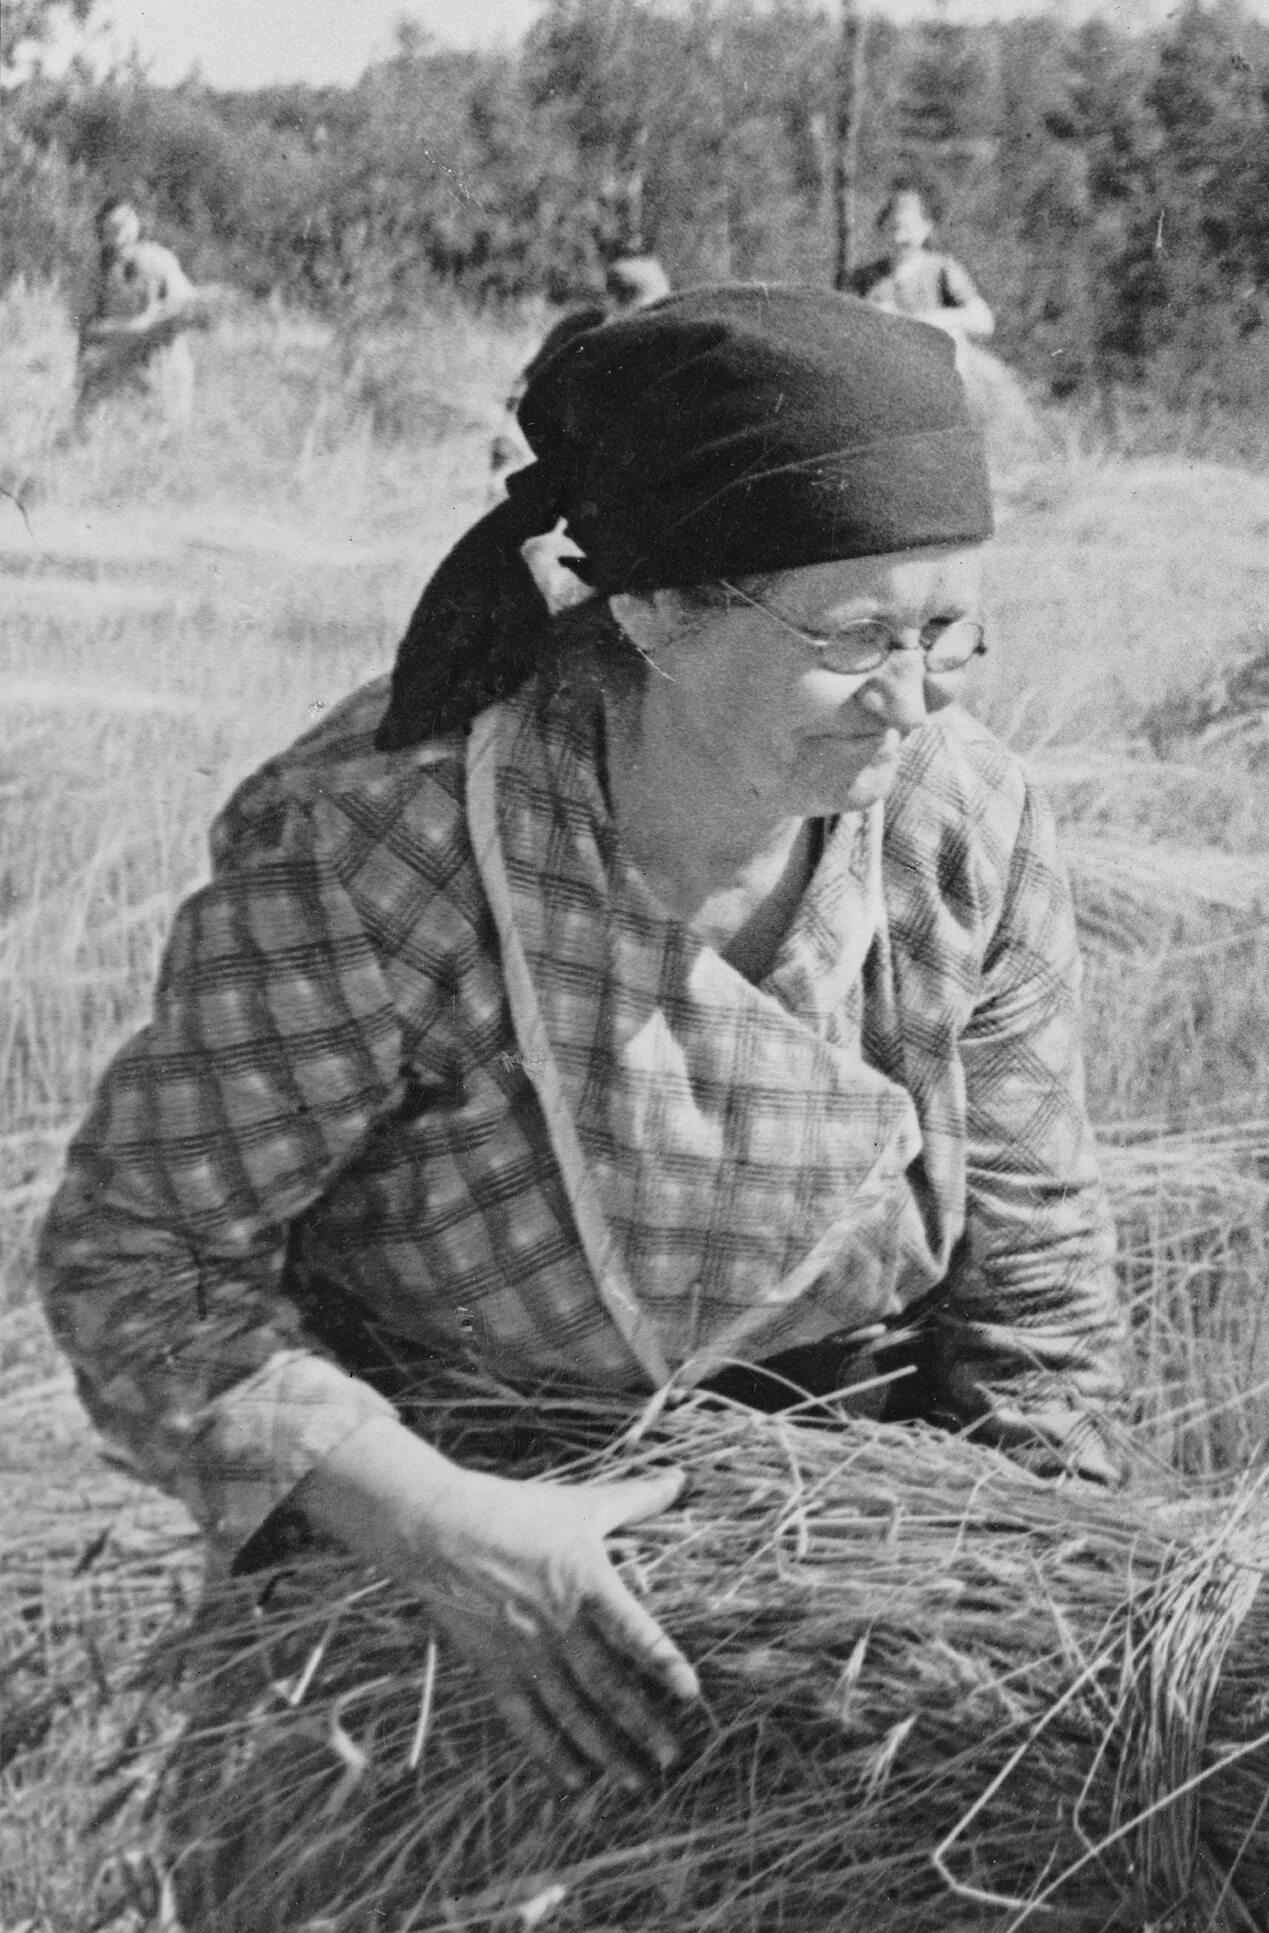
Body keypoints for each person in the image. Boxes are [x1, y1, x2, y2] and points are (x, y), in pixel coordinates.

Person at [41, 287, 1126, 1814]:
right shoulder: (393, 843)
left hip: (859, 1546)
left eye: (946, 630)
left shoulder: (966, 822)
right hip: (446, 1583)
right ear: (657, 608)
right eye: (854, 636)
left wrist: (1043, 1615)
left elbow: (1033, 1276)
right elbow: (138, 1262)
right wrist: (441, 1529)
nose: (910, 701)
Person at [489, 254, 675, 496]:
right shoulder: (576, 332)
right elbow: (526, 392)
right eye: (648, 308)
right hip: (554, 455)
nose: (656, 316)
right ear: (615, 302)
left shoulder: (660, 341)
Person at [73, 196, 201, 431]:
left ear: (136, 226)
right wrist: (83, 383)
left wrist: (143, 324)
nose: (120, 231)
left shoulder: (160, 261)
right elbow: (85, 327)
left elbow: (186, 308)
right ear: (101, 230)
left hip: (162, 371)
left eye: (125, 223)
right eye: (111, 226)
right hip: (117, 373)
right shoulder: (95, 271)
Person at [845, 186, 996, 348]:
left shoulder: (942, 270)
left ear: (926, 228)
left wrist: (928, 320)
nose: (900, 237)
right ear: (882, 229)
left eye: (909, 229)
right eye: (894, 228)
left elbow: (984, 323)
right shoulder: (865, 277)